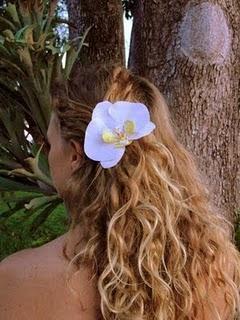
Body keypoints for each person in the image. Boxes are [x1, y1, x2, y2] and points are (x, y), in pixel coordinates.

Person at [0, 64, 240, 320]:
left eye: (49, 144)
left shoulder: (16, 279)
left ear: (74, 154)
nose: (46, 155)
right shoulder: (213, 267)